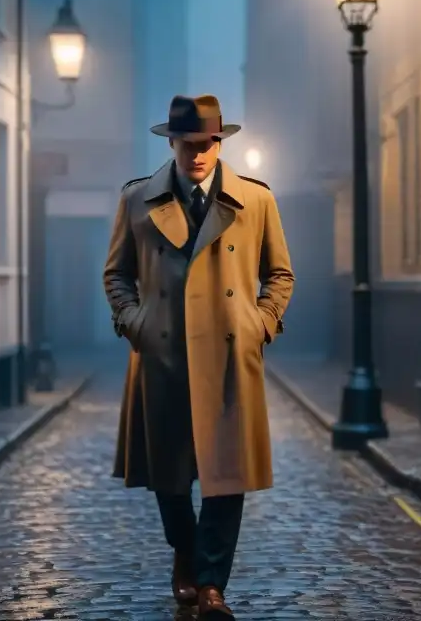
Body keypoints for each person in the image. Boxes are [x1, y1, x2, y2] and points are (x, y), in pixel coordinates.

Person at [103, 94, 295, 618]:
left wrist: (259, 324)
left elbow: (279, 274)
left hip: (230, 358)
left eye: (208, 142)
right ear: (172, 142)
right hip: (162, 354)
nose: (199, 154)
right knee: (168, 475)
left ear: (220, 142)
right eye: (189, 144)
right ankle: (185, 551)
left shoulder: (254, 201)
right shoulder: (138, 200)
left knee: (225, 475)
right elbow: (117, 273)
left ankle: (212, 584)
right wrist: (134, 321)